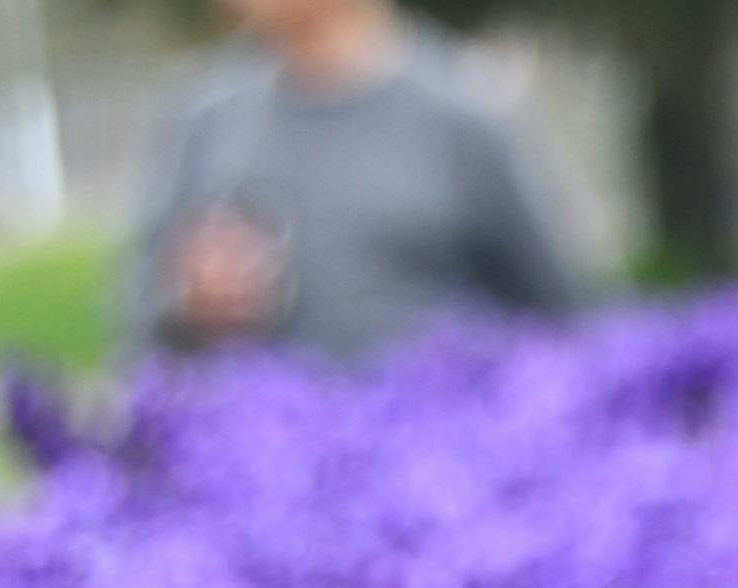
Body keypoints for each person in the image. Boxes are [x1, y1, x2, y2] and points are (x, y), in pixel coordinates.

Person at [131, 0, 575, 361]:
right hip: (245, 453)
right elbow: (139, 314)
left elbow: (560, 320)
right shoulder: (208, 121)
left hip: (424, 453)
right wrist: (187, 298)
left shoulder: (462, 118)